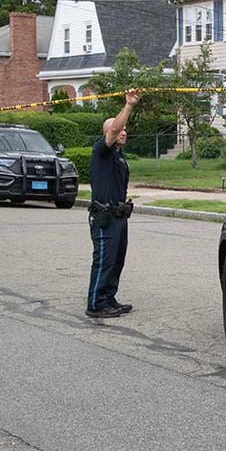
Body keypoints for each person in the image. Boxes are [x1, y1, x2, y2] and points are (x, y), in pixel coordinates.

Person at [85, 90, 139, 318]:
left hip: (119, 216)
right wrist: (128, 106)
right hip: (104, 217)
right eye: (119, 129)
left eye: (126, 130)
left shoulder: (118, 154)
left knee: (117, 260)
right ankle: (96, 304)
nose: (123, 132)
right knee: (104, 260)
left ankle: (108, 297)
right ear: (108, 133)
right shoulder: (102, 151)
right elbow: (115, 128)